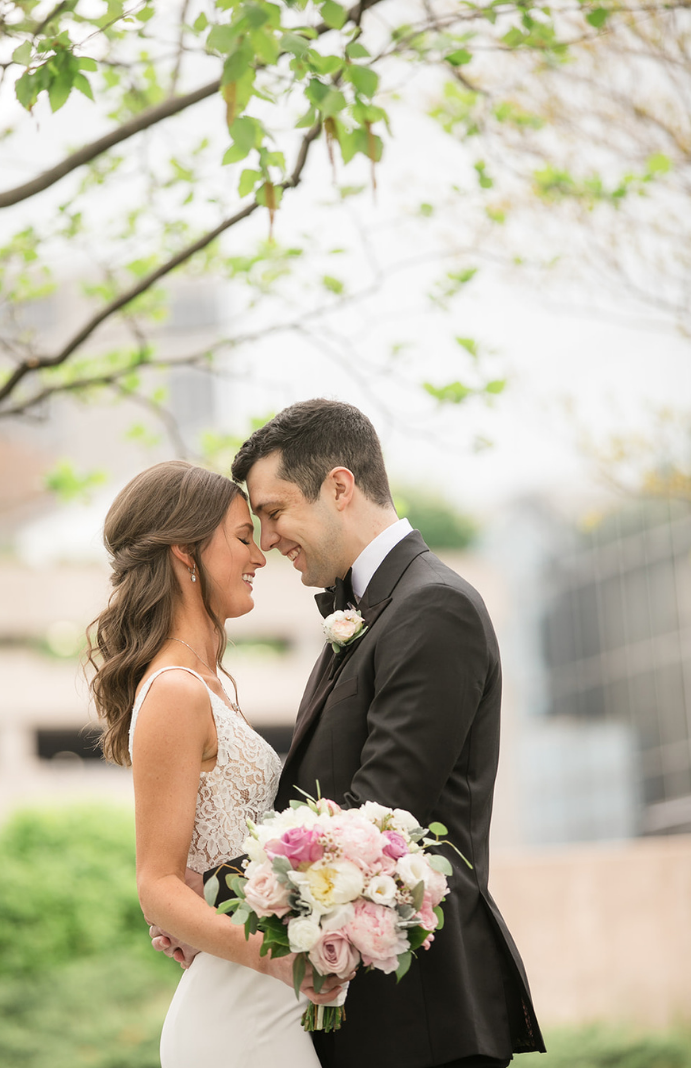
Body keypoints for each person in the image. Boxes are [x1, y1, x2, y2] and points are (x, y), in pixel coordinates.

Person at [148, 399, 544, 1067]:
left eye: (273, 513)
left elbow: (378, 819)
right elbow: (314, 812)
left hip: (420, 1018)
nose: (267, 541)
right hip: (356, 1011)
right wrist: (211, 905)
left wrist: (220, 906)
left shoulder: (433, 607)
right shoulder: (368, 614)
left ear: (339, 486)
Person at [88, 460, 344, 1068]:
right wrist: (277, 955)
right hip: (239, 1015)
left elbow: (194, 875)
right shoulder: (176, 691)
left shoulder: (208, 686)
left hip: (263, 1002)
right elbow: (155, 884)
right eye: (241, 536)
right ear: (185, 551)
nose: (261, 556)